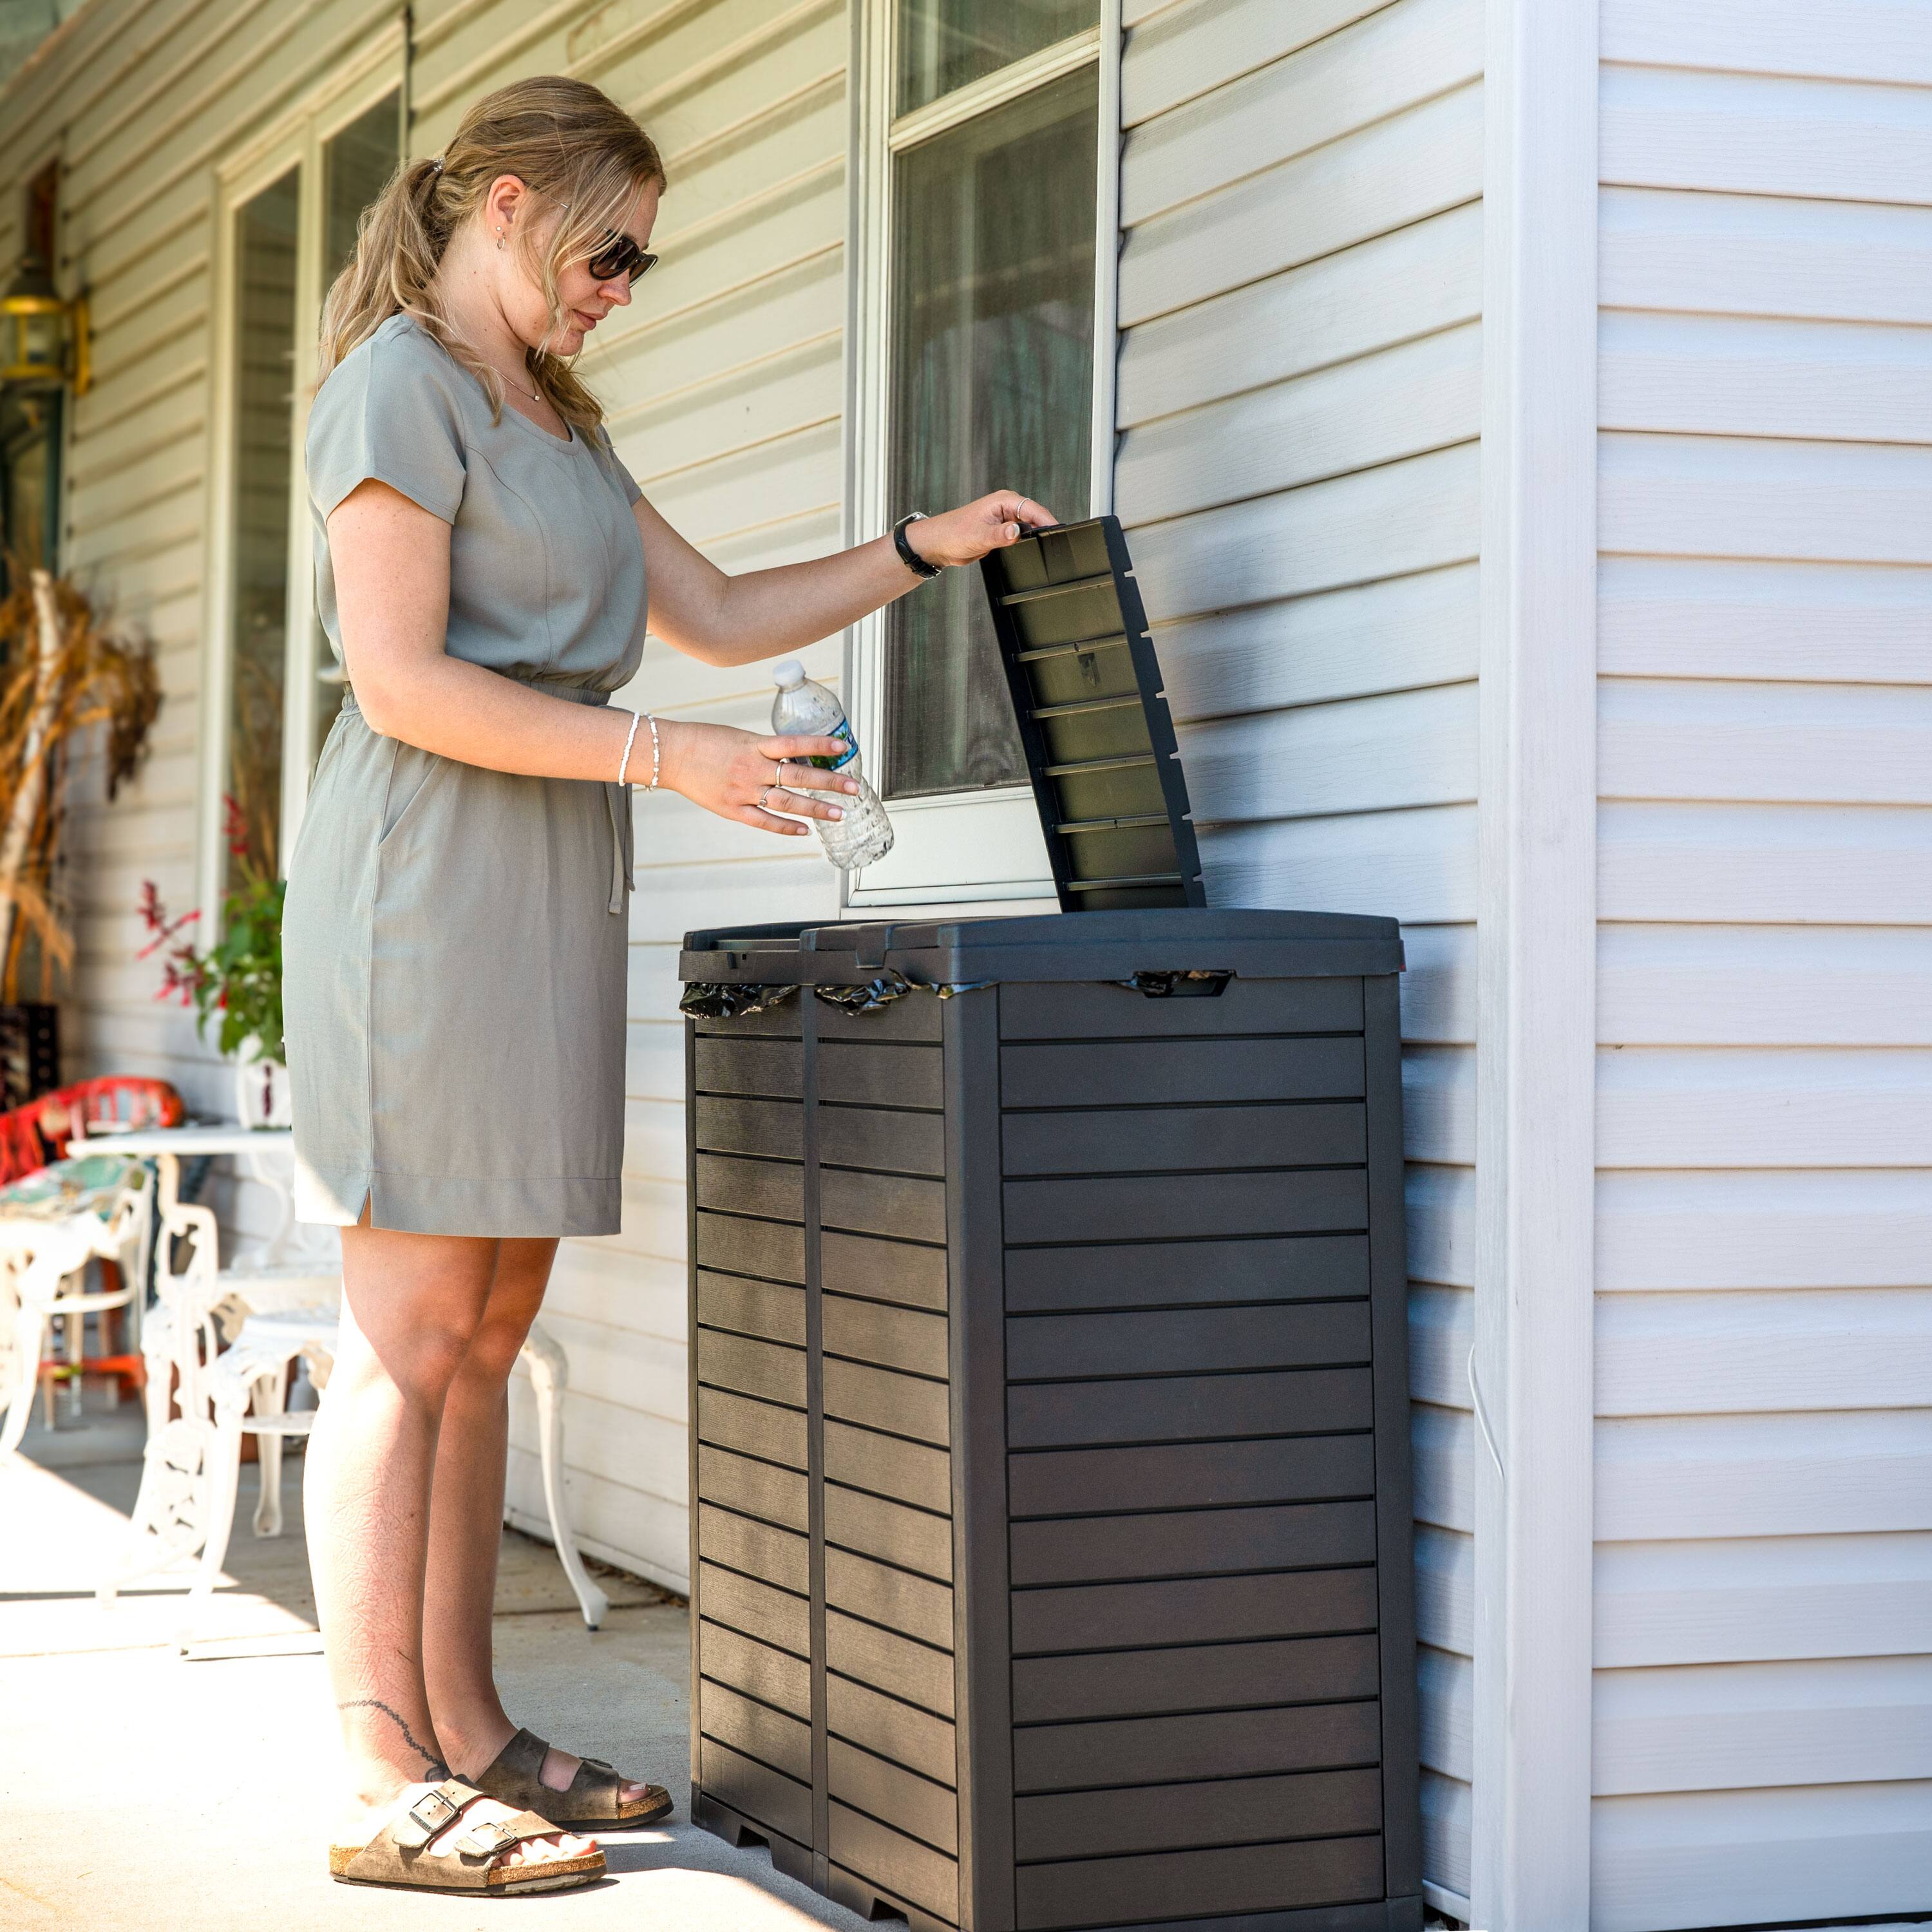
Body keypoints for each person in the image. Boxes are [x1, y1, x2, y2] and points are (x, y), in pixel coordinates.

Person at [285, 73, 1054, 1897]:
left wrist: (921, 550)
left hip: (548, 892)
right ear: (500, 206)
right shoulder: (397, 381)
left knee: (485, 1341)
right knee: (404, 1343)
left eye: (642, 259)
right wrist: (664, 759)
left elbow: (710, 614)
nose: (624, 283)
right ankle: (380, 1765)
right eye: (606, 247)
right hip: (422, 891)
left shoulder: (556, 414)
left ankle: (471, 1726)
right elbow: (398, 681)